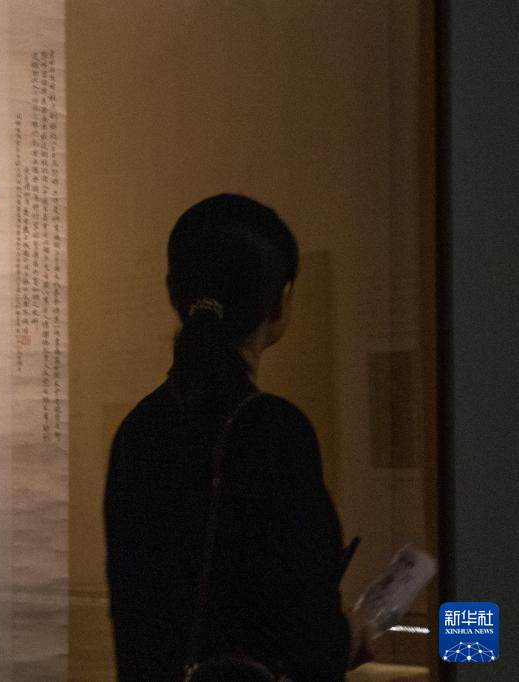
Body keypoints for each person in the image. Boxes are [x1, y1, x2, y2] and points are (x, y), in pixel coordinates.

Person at [104, 194, 372, 680]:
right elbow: (309, 640)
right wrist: (347, 636)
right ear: (279, 303)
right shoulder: (274, 428)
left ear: (175, 295)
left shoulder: (137, 430)